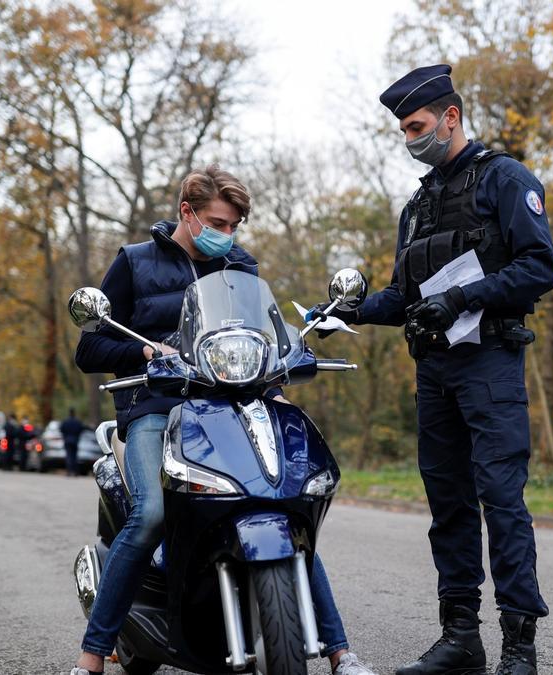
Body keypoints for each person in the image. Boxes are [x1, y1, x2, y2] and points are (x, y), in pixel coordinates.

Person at [70, 165, 375, 675]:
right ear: (186, 213)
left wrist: (282, 360)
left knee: (282, 505)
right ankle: (91, 657)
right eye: (218, 222)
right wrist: (143, 350)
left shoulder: (240, 266)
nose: (226, 235)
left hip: (231, 405)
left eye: (234, 226)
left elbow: (259, 331)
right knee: (149, 516)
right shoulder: (135, 264)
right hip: (156, 407)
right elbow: (88, 349)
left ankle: (342, 653)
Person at [313, 64, 553, 675]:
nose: (410, 138)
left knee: (500, 500)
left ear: (451, 117)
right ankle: (460, 639)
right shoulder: (417, 208)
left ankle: (519, 648)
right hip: (436, 374)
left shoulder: (504, 179)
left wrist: (464, 297)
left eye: (417, 125)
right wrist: (348, 311)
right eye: (402, 130)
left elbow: (539, 267)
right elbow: (403, 296)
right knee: (447, 504)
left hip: (491, 364)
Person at [60, 408, 85, 476]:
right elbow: (82, 429)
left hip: (67, 440)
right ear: (74, 413)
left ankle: (69, 471)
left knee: (69, 456)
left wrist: (65, 436)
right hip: (75, 440)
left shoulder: (65, 421)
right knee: (75, 456)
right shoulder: (77, 421)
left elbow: (61, 429)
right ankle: (75, 472)